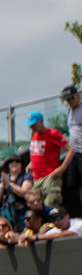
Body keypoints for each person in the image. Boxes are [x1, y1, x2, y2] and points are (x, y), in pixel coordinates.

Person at [27, 110, 73, 208]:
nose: (32, 128)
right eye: (31, 126)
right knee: (37, 207)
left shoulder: (53, 133)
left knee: (50, 206)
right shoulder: (34, 135)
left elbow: (71, 150)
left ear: (41, 122)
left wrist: (62, 168)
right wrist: (31, 163)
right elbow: (37, 152)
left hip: (50, 176)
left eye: (34, 125)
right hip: (37, 178)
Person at [61, 85, 82, 217]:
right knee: (78, 185)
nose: (69, 101)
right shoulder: (70, 111)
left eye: (71, 98)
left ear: (78, 95)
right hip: (74, 153)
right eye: (67, 99)